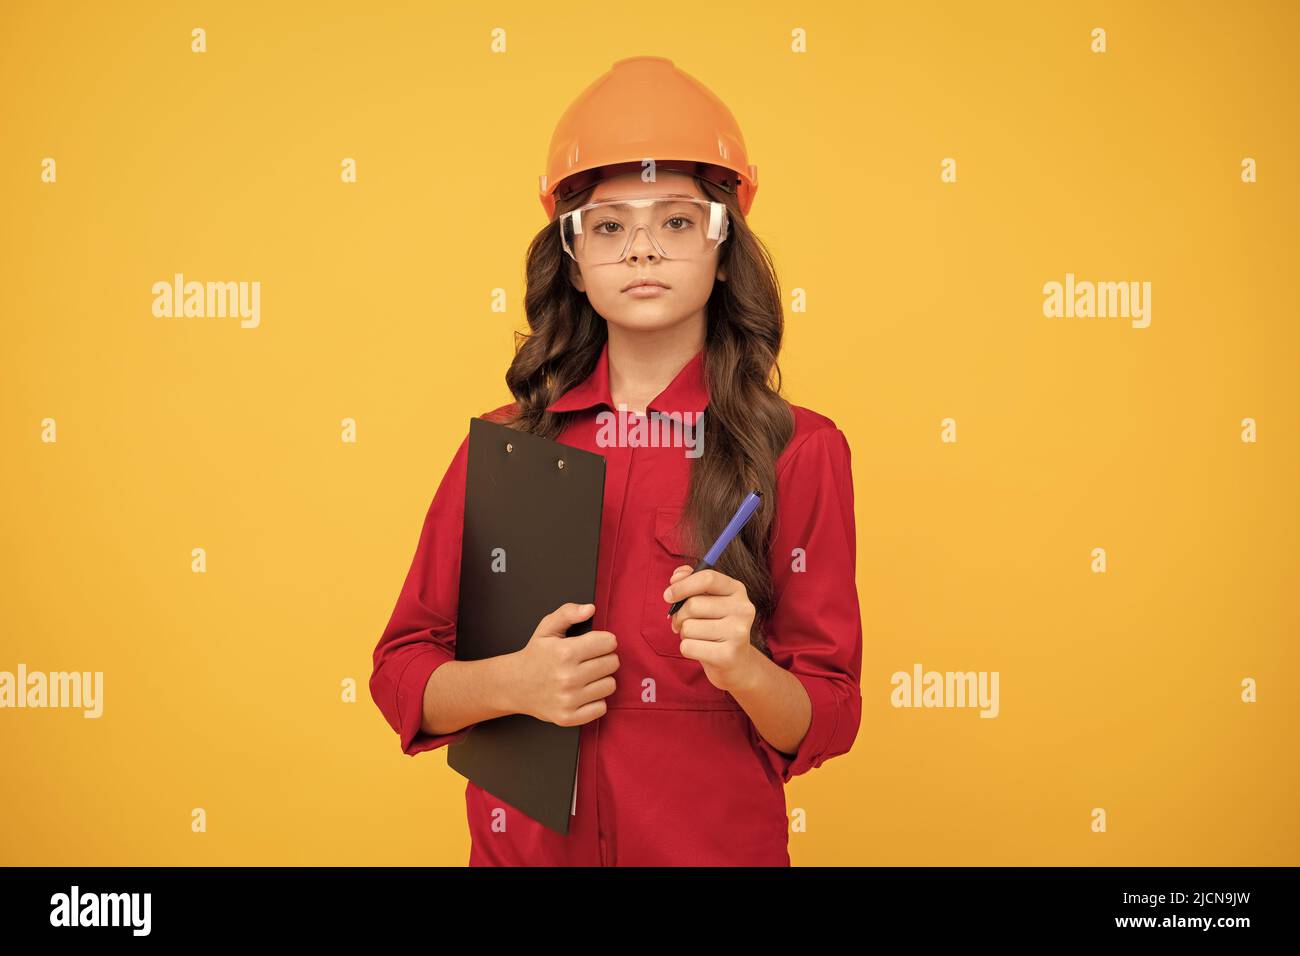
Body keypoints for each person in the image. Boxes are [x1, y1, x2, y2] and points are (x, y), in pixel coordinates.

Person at [370, 56, 862, 866]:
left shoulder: (799, 451)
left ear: (722, 244)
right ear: (572, 257)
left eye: (675, 221)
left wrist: (744, 666)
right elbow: (401, 671)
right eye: (608, 226)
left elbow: (830, 715)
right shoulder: (507, 447)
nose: (641, 250)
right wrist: (513, 685)